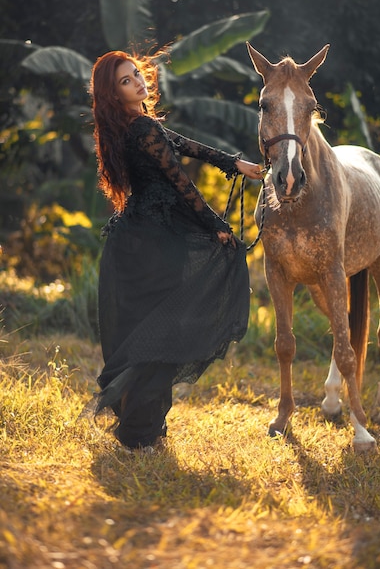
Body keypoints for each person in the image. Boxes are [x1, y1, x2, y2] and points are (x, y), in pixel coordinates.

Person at [89, 49, 262, 451]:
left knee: (151, 335)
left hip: (138, 242)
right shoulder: (142, 128)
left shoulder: (135, 127)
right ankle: (138, 435)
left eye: (136, 74)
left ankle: (145, 426)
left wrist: (237, 165)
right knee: (161, 336)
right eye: (126, 81)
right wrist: (217, 226)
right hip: (155, 245)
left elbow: (186, 146)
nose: (138, 82)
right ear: (114, 94)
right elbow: (180, 182)